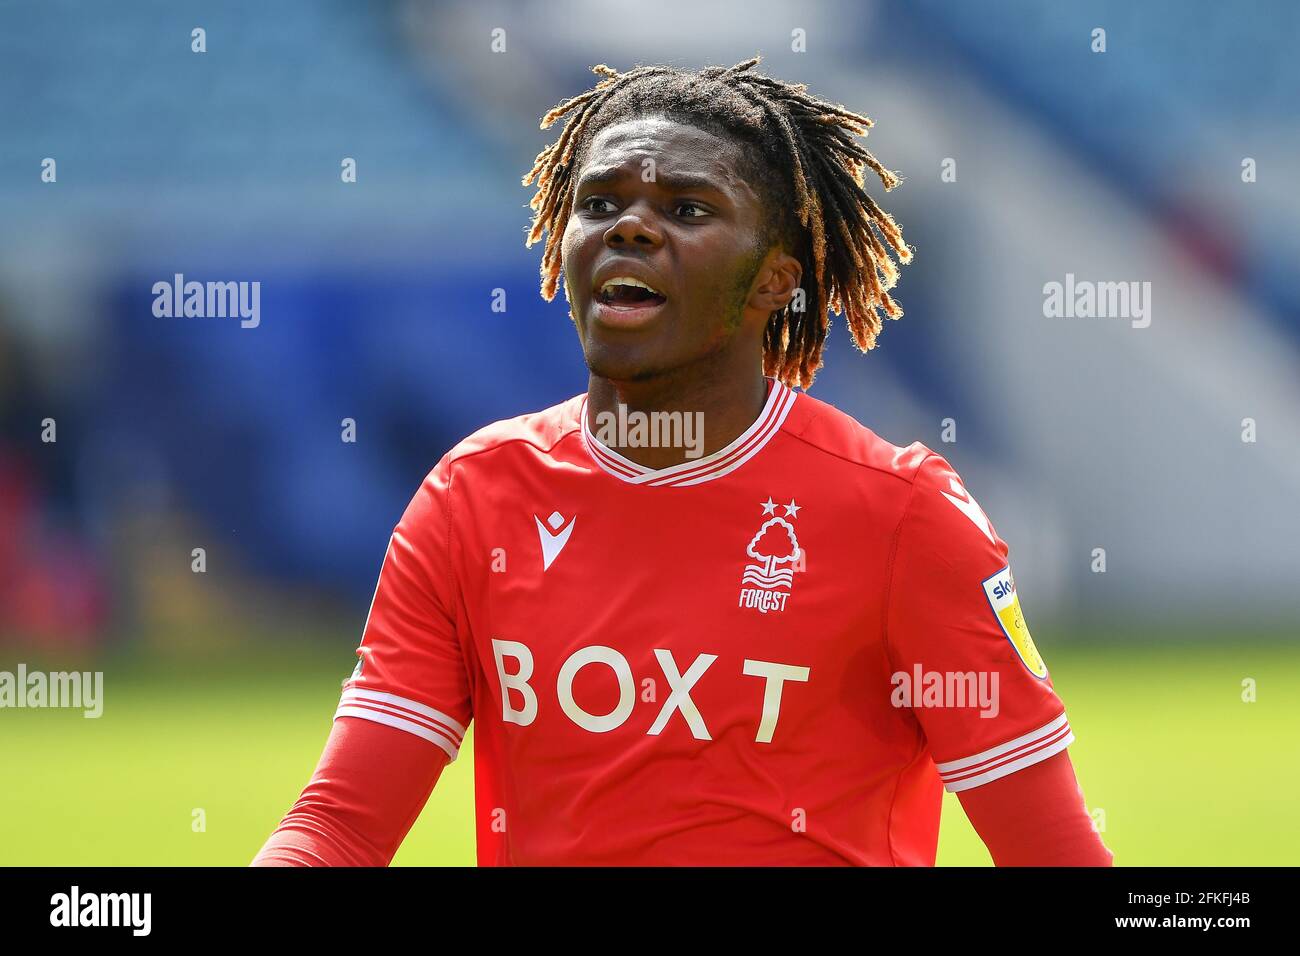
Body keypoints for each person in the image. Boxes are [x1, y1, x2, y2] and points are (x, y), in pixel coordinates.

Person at [253, 57, 1112, 866]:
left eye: (689, 210)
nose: (630, 225)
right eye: (598, 204)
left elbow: (1053, 853)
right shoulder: (472, 498)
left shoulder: (901, 515)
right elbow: (340, 826)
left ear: (776, 279)